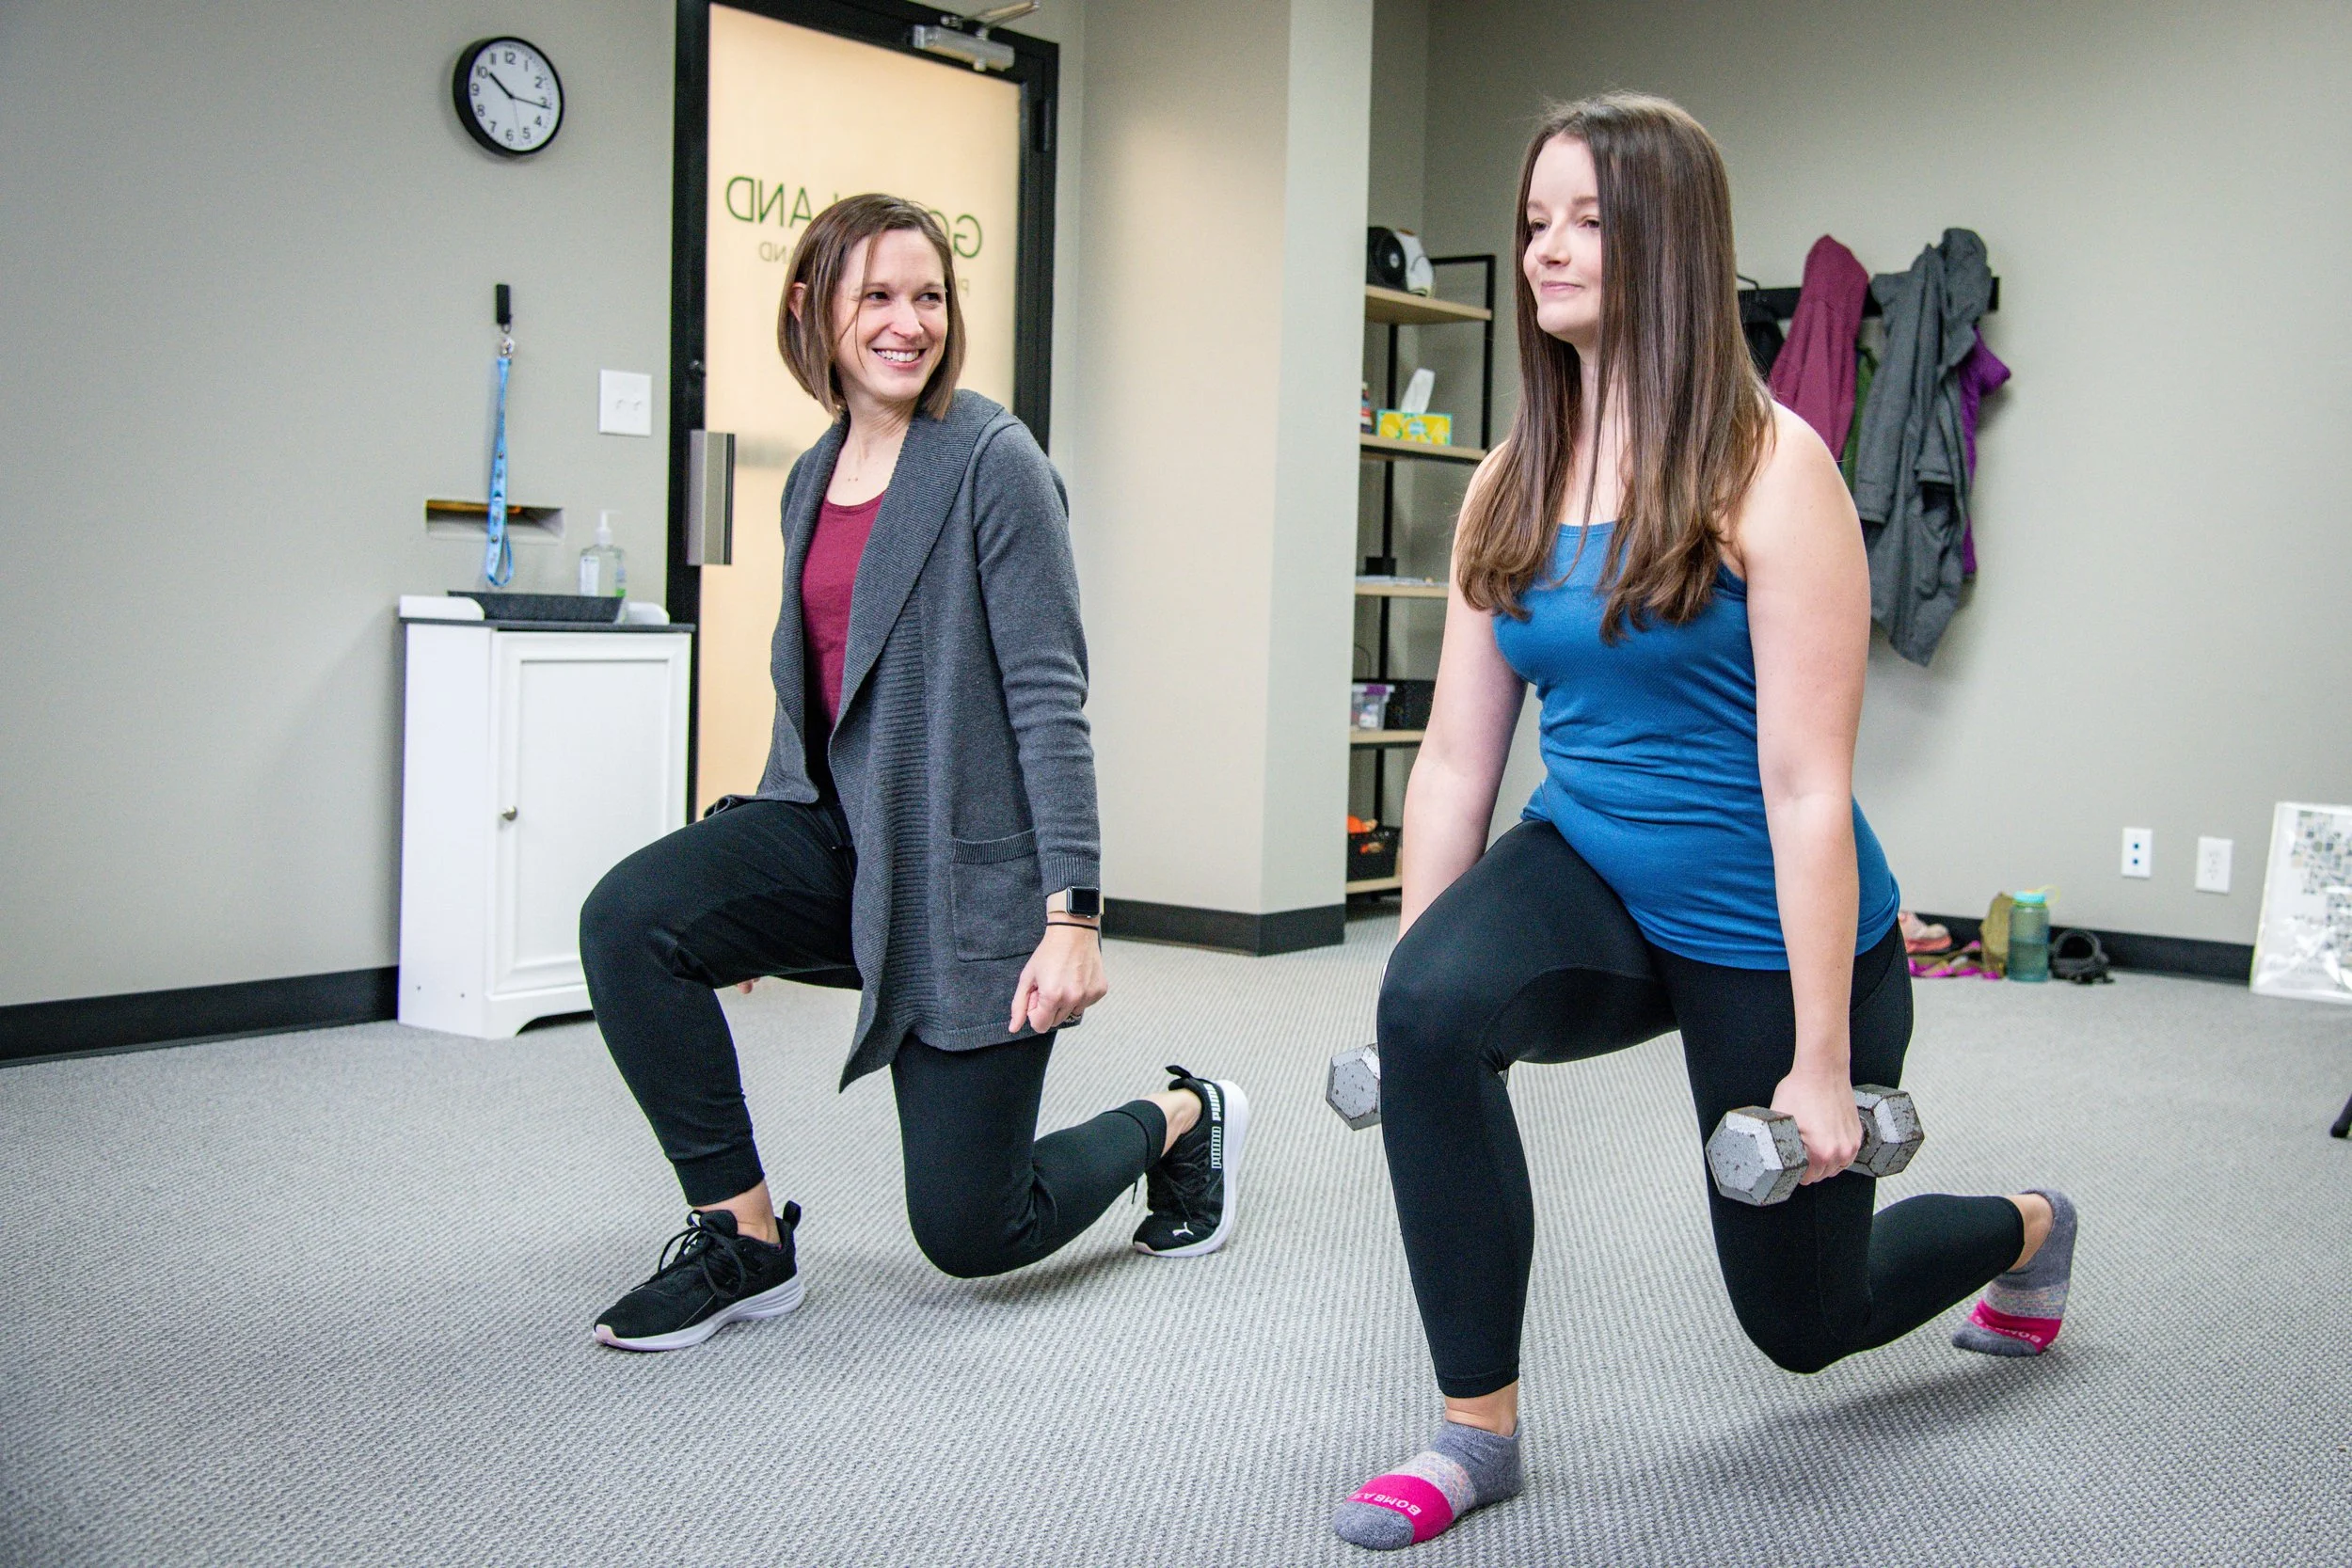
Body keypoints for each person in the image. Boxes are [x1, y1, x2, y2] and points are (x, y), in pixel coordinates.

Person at [1330, 96, 2077, 1550]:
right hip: (1595, 870)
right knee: (1431, 1000)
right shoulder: (1511, 476)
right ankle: (1474, 1429)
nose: (1545, 249)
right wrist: (1408, 990)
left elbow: (1808, 783)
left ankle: (2033, 1226)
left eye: (1588, 221)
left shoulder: (1772, 469)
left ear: (1669, 242)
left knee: (1806, 1321)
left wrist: (1818, 1065)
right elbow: (1454, 767)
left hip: (1769, 918)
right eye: (1536, 216)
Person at [579, 195, 1248, 1354]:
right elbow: (827, 694)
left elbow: (1049, 701)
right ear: (812, 310)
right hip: (835, 841)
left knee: (974, 1230)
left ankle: (1182, 1118)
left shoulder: (995, 461)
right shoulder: (813, 472)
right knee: (634, 914)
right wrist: (743, 863)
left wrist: (1072, 914)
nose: (908, 321)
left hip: (961, 880)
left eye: (928, 294)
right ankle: (743, 1240)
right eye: (875, 295)